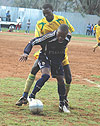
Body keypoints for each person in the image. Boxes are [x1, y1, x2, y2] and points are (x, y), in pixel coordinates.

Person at [16, 3, 75, 110]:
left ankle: (64, 100)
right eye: (44, 14)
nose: (46, 16)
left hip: (60, 55)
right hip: (46, 51)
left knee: (68, 78)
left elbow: (69, 30)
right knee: (35, 71)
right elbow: (37, 39)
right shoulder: (40, 24)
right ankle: (25, 96)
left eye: (48, 13)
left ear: (53, 10)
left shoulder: (62, 20)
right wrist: (28, 52)